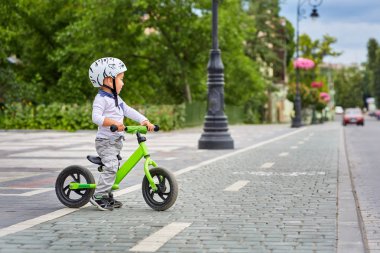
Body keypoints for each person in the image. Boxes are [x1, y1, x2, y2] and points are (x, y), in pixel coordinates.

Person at [88, 57, 155, 211]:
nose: (123, 83)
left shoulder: (116, 98)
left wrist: (144, 121)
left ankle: (107, 194)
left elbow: (128, 110)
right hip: (105, 141)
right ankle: (98, 196)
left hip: (116, 141)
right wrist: (114, 123)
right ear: (108, 80)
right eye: (120, 79)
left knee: (114, 168)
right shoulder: (101, 99)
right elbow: (96, 117)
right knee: (111, 167)